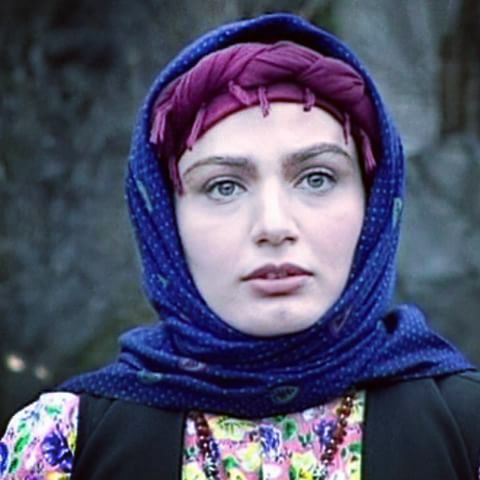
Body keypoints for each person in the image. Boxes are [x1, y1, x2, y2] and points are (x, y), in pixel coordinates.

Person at [1, 12, 479, 480]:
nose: (273, 226)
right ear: (165, 222)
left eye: (317, 177)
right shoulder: (65, 446)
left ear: (372, 203)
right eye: (224, 186)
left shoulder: (467, 431)